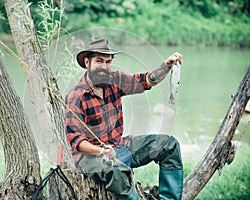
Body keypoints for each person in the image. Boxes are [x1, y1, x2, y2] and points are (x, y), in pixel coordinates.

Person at [65, 39, 183, 200]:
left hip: (120, 147)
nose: (104, 66)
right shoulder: (75, 96)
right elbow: (76, 141)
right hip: (91, 158)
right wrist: (101, 151)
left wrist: (167, 65)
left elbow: (146, 80)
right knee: (119, 172)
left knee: (169, 145)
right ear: (87, 62)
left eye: (108, 62)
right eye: (99, 61)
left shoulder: (115, 80)